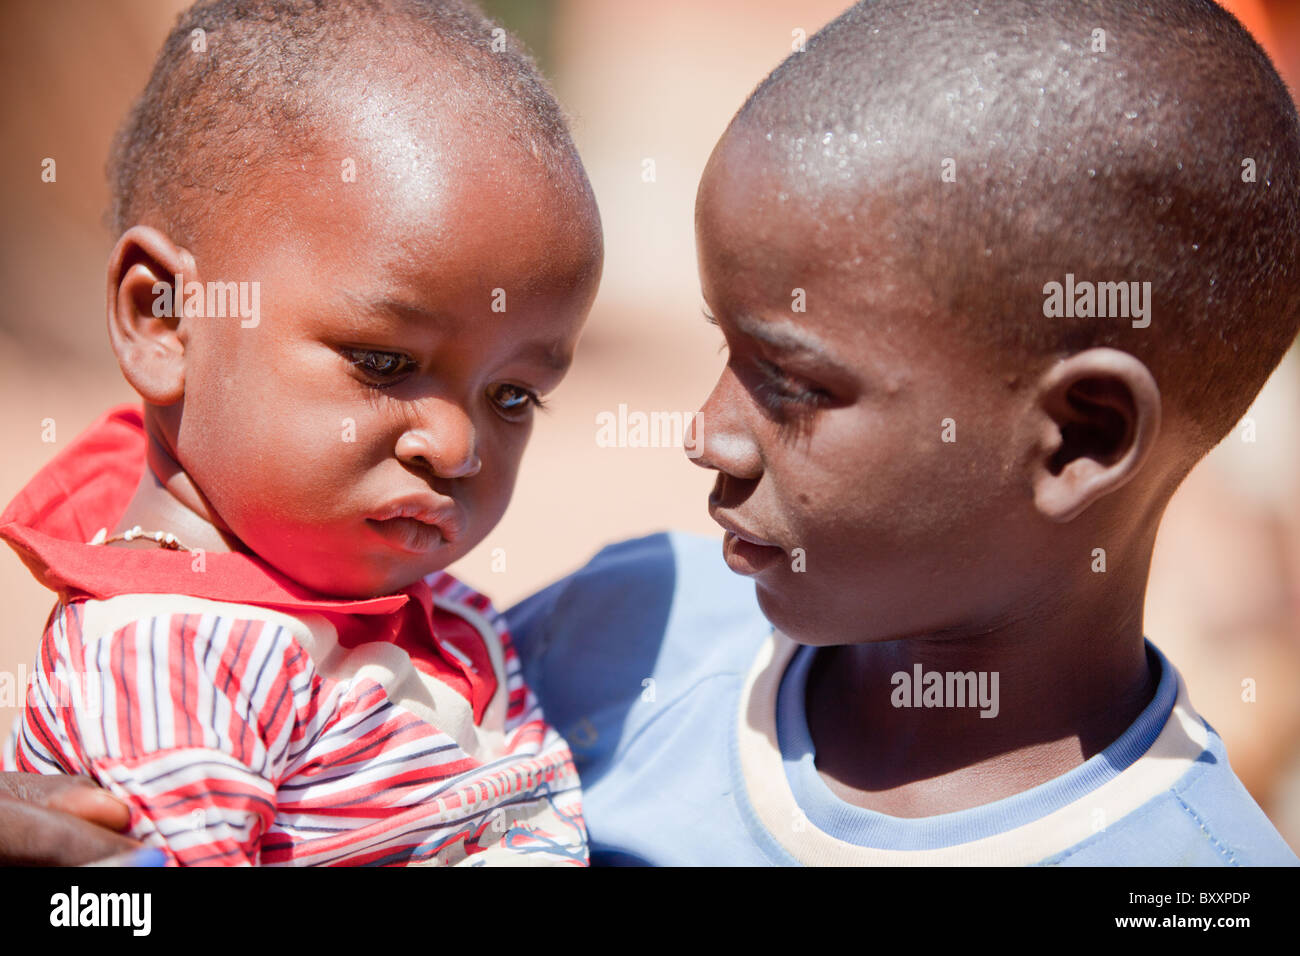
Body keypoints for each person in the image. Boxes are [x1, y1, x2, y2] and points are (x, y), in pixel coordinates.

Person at [507, 0, 1300, 864]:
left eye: (795, 384)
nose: (708, 434)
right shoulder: (620, 637)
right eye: (725, 344)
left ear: (1082, 439)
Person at [0, 0, 602, 866]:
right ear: (165, 319)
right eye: (384, 364)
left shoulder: (431, 614)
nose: (456, 445)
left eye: (512, 396)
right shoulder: (171, 658)